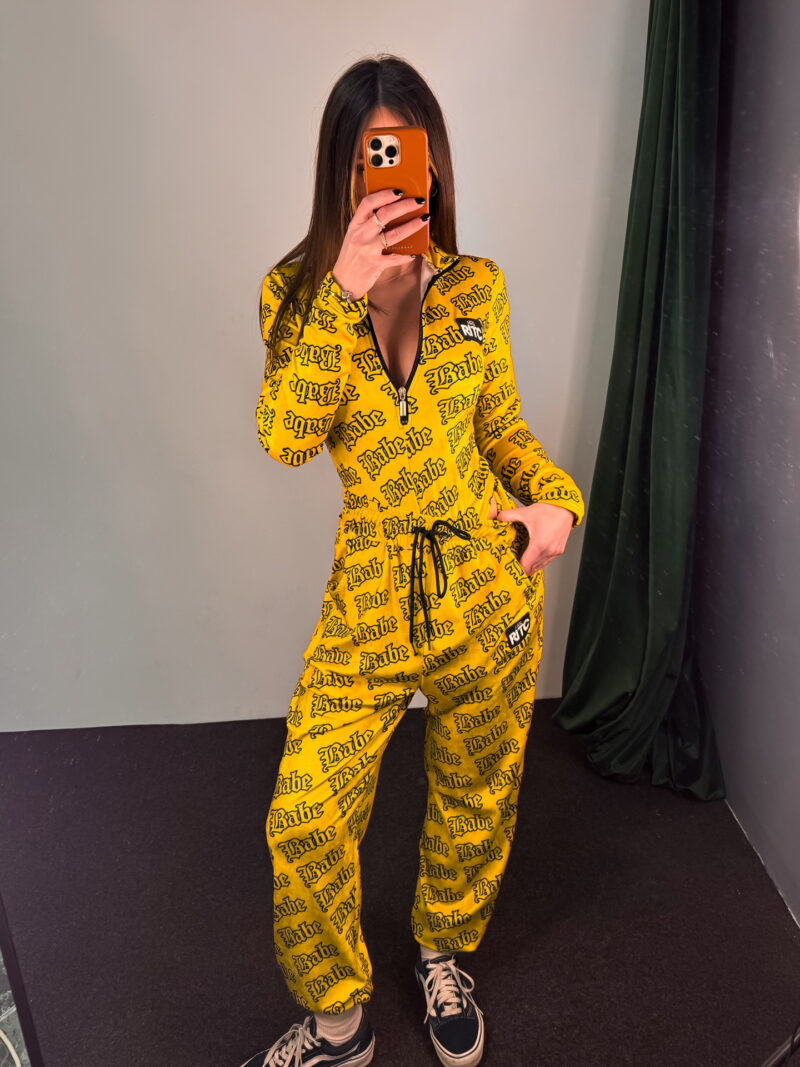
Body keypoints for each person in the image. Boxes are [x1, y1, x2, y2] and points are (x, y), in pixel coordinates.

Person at [241, 53, 584, 1067]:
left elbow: (505, 433)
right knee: (306, 812)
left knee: (477, 794)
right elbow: (285, 437)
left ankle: (441, 951)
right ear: (339, 172)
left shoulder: (478, 288)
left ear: (432, 163)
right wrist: (342, 293)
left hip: (484, 584)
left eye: (405, 154)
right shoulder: (292, 296)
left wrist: (557, 504)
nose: (389, 178)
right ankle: (339, 1024)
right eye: (367, 159)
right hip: (370, 597)